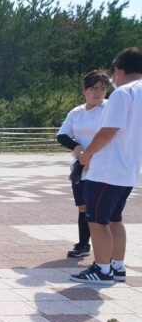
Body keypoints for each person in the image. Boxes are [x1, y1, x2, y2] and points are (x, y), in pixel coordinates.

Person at [72, 47, 142, 285]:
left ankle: (102, 270)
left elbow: (108, 131)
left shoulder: (123, 93)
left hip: (108, 170)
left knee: (97, 220)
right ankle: (117, 266)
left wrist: (87, 154)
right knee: (115, 218)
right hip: (130, 170)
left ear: (118, 70)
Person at [57, 71, 110, 259]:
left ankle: (107, 254)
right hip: (81, 166)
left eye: (103, 89)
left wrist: (92, 154)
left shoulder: (109, 109)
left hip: (103, 165)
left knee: (102, 209)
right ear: (84, 91)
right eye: (93, 89)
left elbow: (111, 136)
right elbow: (62, 135)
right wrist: (77, 147)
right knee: (83, 207)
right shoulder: (76, 112)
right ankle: (83, 244)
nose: (98, 93)